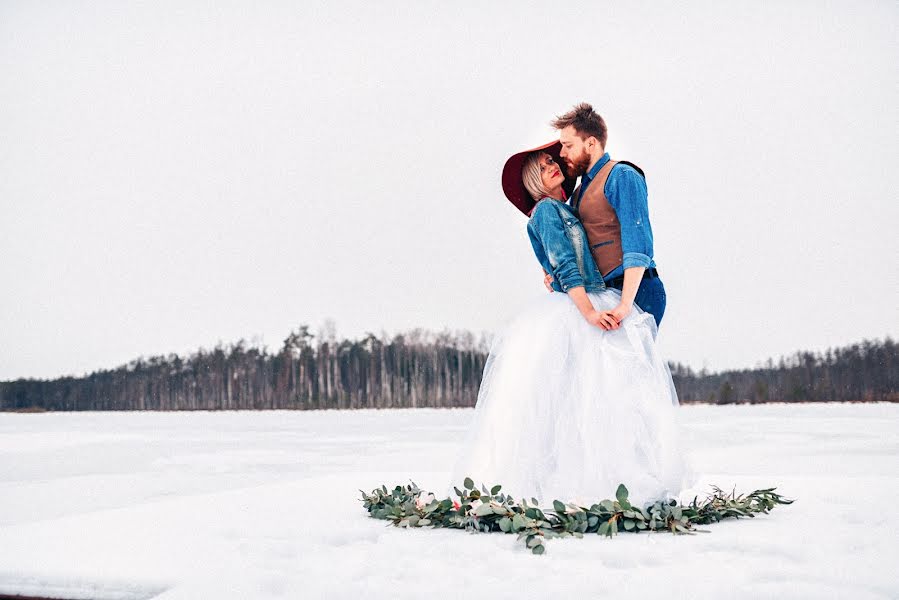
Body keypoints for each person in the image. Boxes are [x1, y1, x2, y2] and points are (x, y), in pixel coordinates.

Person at [444, 141, 695, 508]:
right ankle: (571, 486)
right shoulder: (546, 210)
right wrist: (588, 311)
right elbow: (566, 266)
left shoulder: (567, 206)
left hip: (593, 299)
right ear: (534, 183)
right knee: (577, 400)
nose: (552, 166)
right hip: (580, 306)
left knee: (597, 400)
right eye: (543, 167)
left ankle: (610, 482)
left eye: (551, 161)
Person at [543, 102, 667, 331]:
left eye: (568, 146)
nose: (561, 154)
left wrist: (625, 305)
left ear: (591, 143)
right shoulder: (578, 194)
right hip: (605, 293)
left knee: (627, 366)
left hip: (636, 291)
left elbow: (637, 243)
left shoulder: (622, 176)